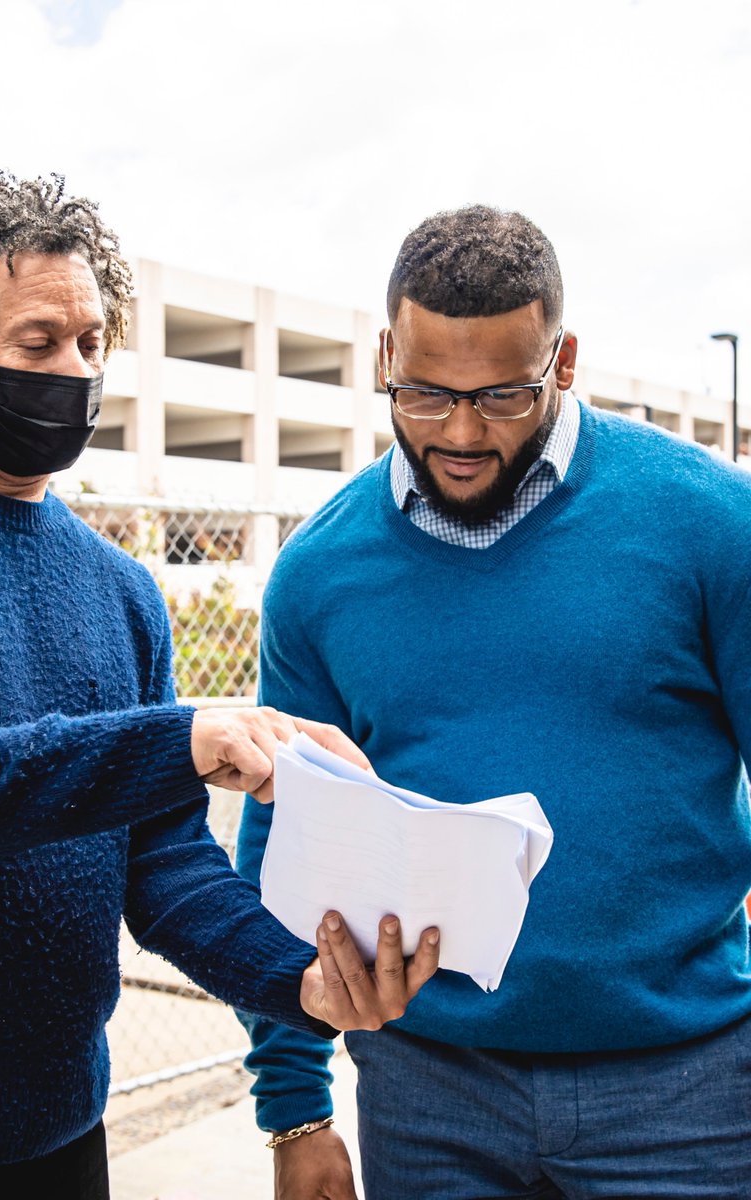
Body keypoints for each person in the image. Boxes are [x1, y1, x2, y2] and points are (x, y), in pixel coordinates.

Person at [0, 166, 441, 1200]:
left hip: (61, 1142)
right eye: (39, 343)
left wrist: (305, 984)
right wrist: (177, 738)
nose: (76, 369)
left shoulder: (121, 591)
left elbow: (166, 864)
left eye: (92, 342)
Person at [235, 204, 751, 1199]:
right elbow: (276, 854)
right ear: (386, 352)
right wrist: (293, 1105)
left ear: (562, 363)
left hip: (688, 1095)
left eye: (503, 396)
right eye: (425, 393)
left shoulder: (711, 526)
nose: (462, 434)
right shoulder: (317, 574)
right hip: (429, 1099)